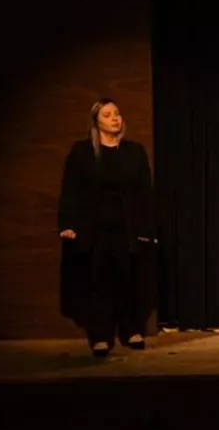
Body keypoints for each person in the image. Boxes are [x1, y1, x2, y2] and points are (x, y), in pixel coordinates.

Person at [57, 98, 157, 356]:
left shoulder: (134, 151)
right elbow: (71, 191)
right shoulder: (82, 152)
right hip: (94, 228)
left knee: (128, 279)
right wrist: (67, 223)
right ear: (96, 122)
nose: (115, 118)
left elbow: (144, 193)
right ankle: (100, 336)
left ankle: (132, 330)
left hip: (126, 227)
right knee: (97, 280)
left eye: (117, 114)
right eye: (108, 115)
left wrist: (148, 228)